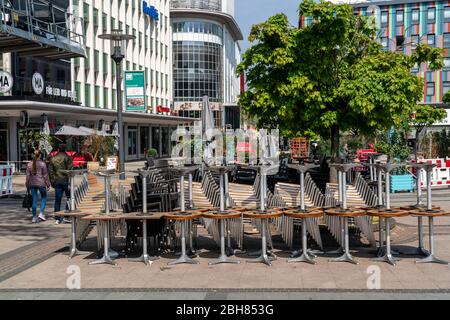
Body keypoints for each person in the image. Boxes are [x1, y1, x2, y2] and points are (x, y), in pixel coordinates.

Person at [48, 144, 73, 224]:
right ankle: (66, 215)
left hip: (57, 181)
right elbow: (70, 170)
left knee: (57, 200)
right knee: (69, 198)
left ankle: (57, 218)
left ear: (58, 149)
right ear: (65, 149)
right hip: (66, 180)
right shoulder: (68, 158)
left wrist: (53, 182)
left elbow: (50, 172)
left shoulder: (53, 158)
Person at [26, 150, 50, 223]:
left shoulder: (29, 164)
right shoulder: (43, 164)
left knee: (34, 200)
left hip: (32, 184)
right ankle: (41, 213)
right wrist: (48, 184)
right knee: (44, 197)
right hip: (41, 183)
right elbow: (45, 175)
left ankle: (34, 217)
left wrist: (27, 185)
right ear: (40, 155)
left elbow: (27, 176)